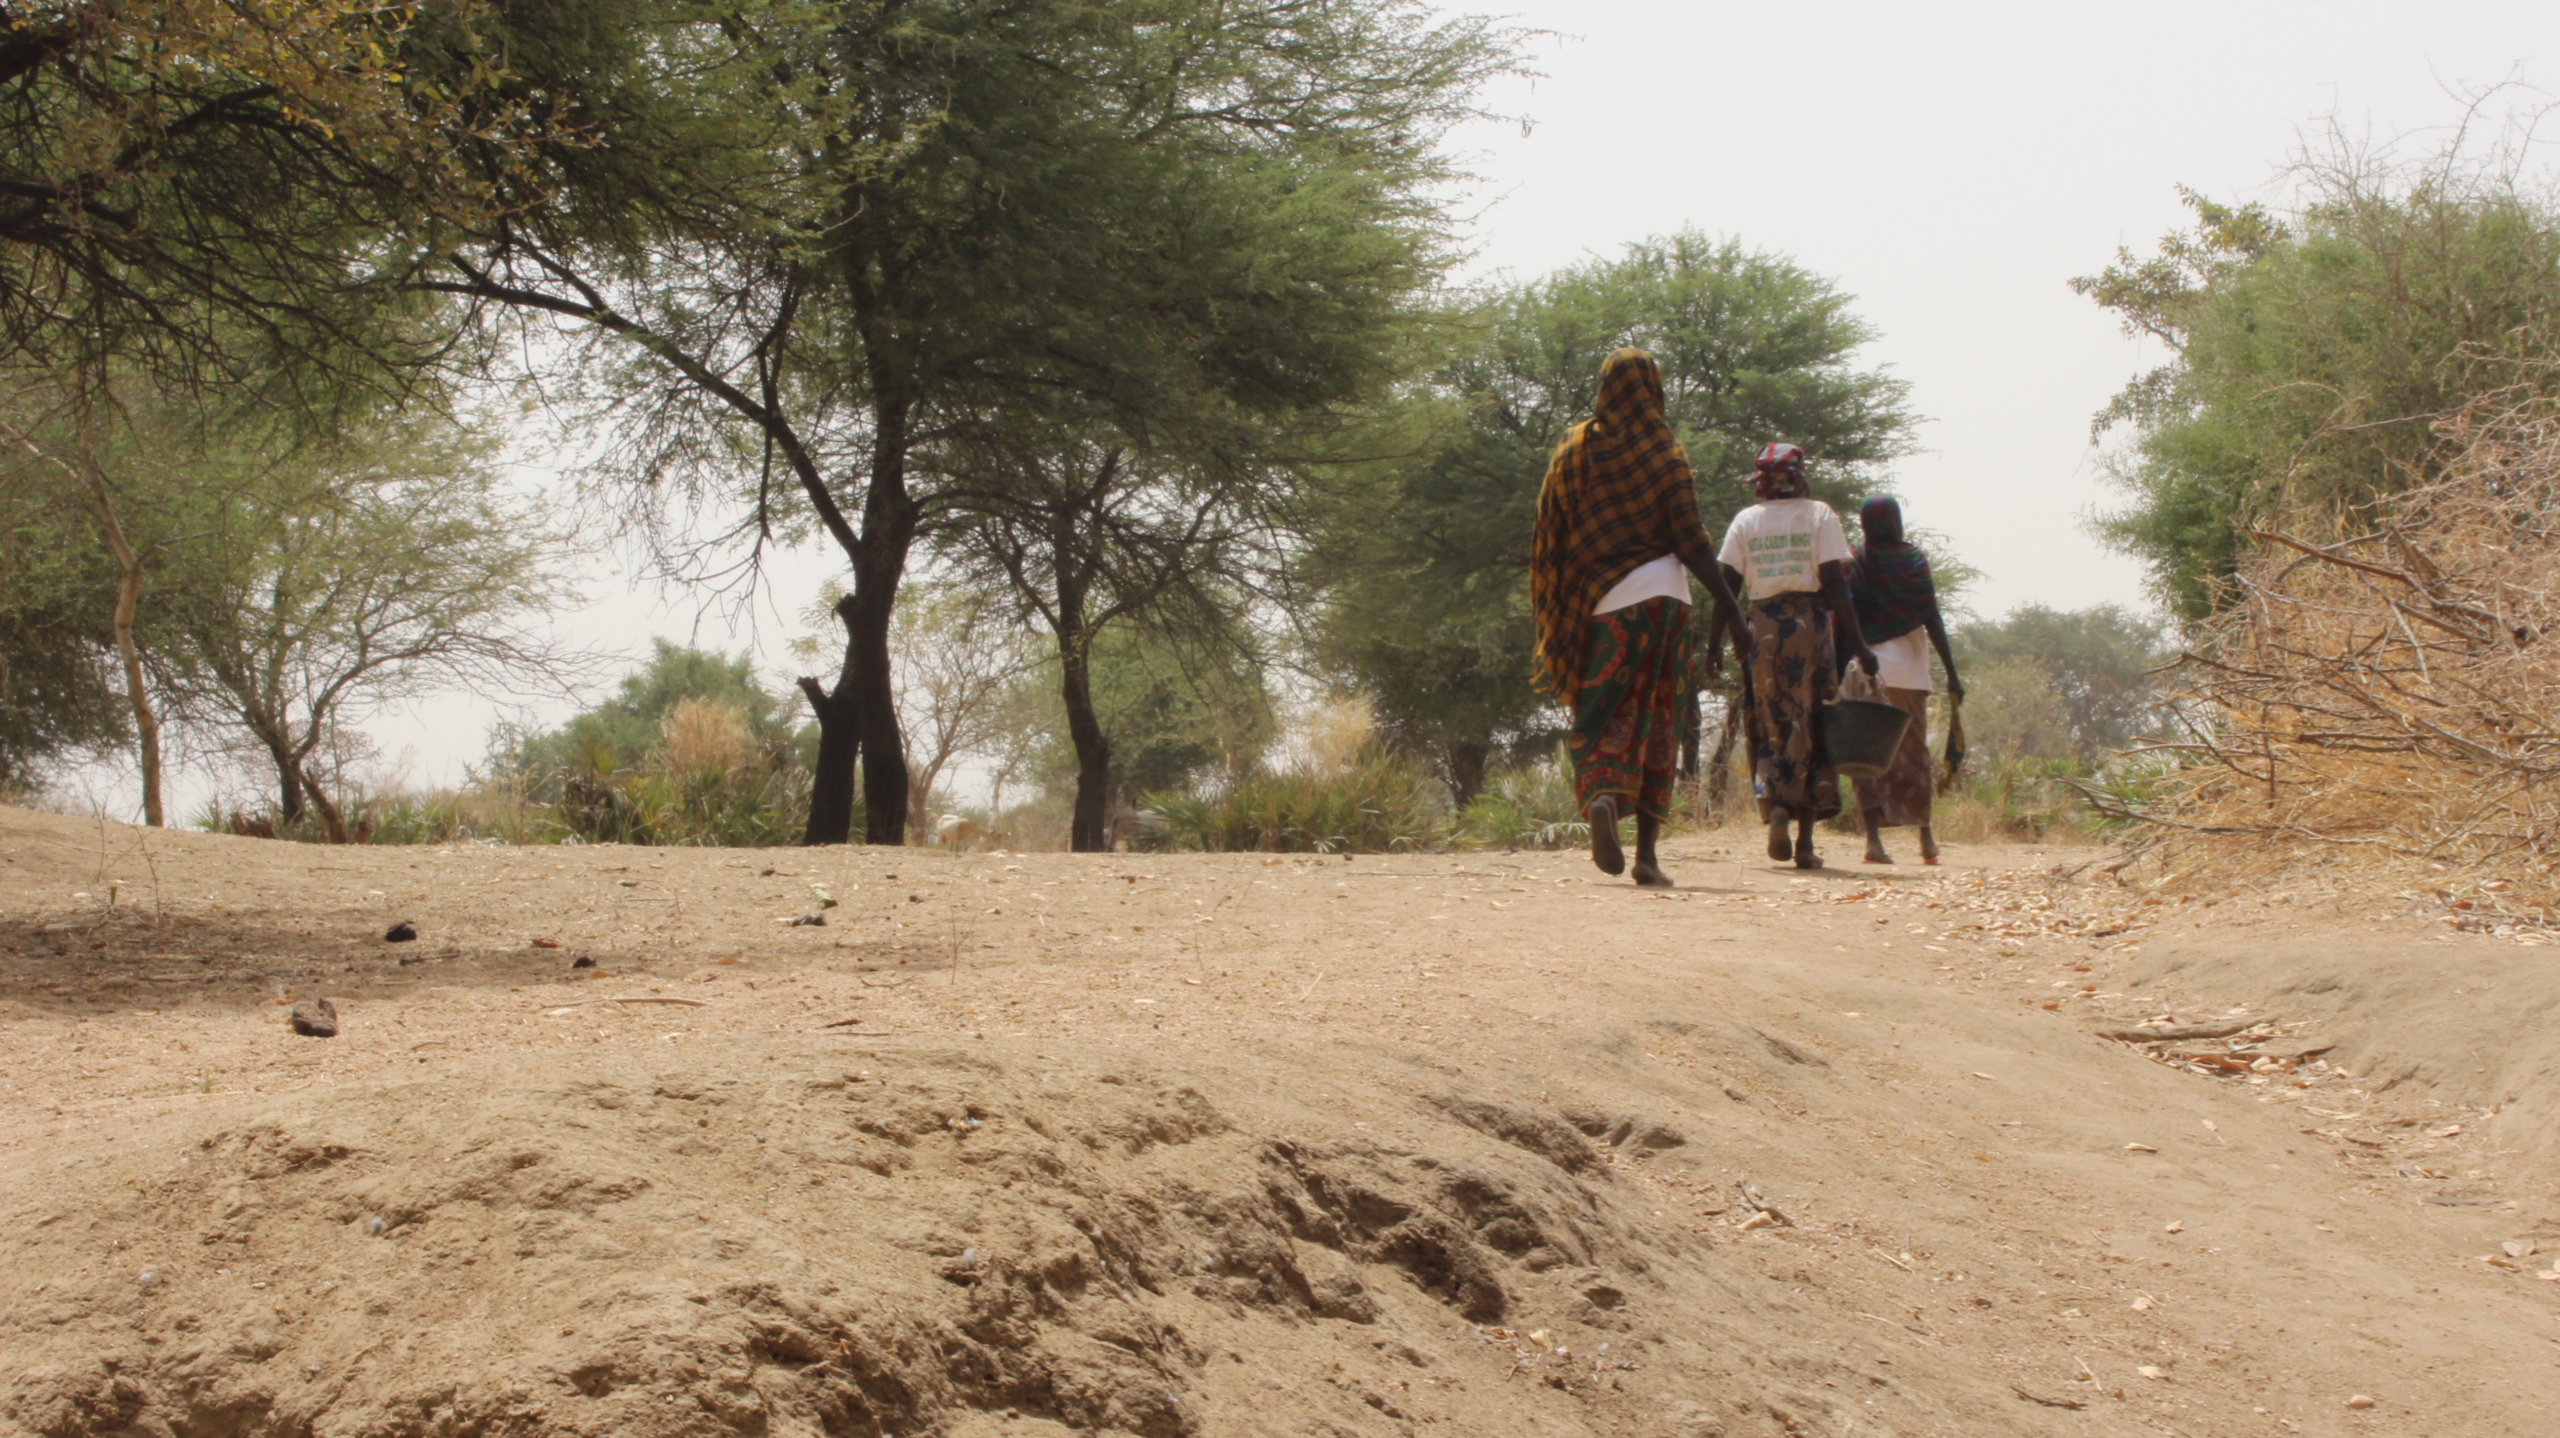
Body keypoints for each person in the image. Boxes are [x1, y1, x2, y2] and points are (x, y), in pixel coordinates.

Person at [1531, 348, 1752, 886]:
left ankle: (1604, 795)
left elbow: (1549, 528)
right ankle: (1648, 858)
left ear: (1604, 387)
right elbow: (1694, 543)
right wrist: (1737, 619)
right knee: (1661, 722)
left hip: (1602, 603)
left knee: (1602, 712)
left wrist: (1561, 599)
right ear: (1654, 389)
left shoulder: (1576, 447)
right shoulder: (1665, 451)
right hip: (1668, 600)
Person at [1714, 443, 1877, 869]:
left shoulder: (1746, 521)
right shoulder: (1819, 514)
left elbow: (1725, 586)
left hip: (1761, 631)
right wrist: (1859, 643)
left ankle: (1776, 804)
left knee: (1771, 719)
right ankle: (1804, 843)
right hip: (1810, 628)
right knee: (1814, 720)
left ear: (1763, 482)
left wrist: (1716, 641)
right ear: (1799, 476)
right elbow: (1834, 583)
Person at [1847, 495, 1963, 864]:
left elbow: (1846, 614)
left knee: (1864, 756)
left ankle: (1874, 843)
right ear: (1898, 521)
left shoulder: (1857, 560)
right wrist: (1952, 674)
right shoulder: (1914, 561)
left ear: (1865, 524)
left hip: (1868, 670)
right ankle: (1926, 840)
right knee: (1914, 756)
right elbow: (1933, 617)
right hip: (1911, 673)